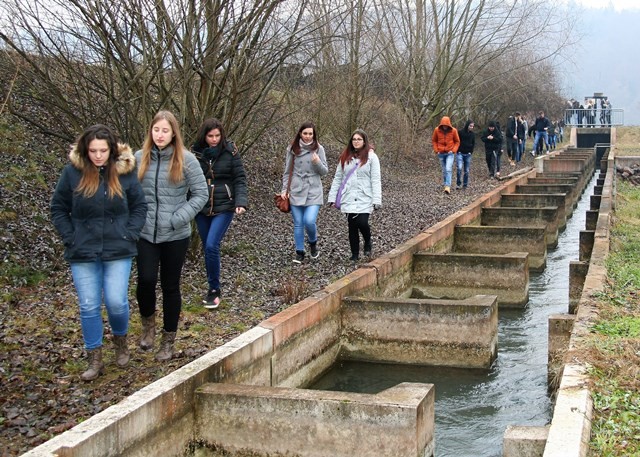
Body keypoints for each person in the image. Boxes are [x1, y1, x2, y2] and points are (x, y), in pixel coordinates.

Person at [50, 125, 148, 381]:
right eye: (93, 150)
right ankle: (94, 357)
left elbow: (139, 206)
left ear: (112, 150)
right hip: (83, 249)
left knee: (116, 301)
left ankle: (121, 340)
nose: (98, 155)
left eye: (103, 150)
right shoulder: (72, 173)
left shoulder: (125, 172)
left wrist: (131, 233)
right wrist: (70, 237)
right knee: (89, 305)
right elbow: (58, 208)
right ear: (85, 150)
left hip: (119, 247)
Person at [135, 111, 208, 361]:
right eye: (156, 130)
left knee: (170, 286)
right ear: (150, 131)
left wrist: (179, 217)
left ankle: (168, 340)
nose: (160, 135)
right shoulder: (138, 158)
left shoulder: (187, 160)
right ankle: (148, 326)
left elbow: (201, 194)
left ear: (173, 132)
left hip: (176, 234)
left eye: (165, 130)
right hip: (145, 232)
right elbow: (125, 190)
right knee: (145, 281)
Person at [192, 118, 248, 309]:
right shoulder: (196, 154)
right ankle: (211, 284)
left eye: (217, 136)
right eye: (210, 136)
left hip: (225, 205)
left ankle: (214, 289)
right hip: (201, 205)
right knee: (208, 249)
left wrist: (241, 202)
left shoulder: (230, 151)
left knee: (211, 245)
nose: (214, 139)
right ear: (204, 136)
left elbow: (240, 178)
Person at [328, 129, 382, 261]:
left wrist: (377, 199)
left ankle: (368, 240)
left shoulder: (372, 158)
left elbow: (375, 179)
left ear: (364, 141)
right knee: (352, 225)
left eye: (359, 139)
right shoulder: (345, 157)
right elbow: (338, 178)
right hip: (349, 196)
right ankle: (355, 254)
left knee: (362, 222)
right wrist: (332, 197)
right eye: (354, 139)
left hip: (365, 196)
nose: (356, 142)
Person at [280, 122, 328, 264]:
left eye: (310, 134)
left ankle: (313, 242)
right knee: (298, 223)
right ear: (300, 133)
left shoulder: (319, 149)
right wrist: (284, 190)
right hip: (296, 189)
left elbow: (324, 172)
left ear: (314, 135)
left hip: (313, 189)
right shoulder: (292, 148)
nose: (307, 136)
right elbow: (287, 171)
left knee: (309, 220)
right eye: (305, 133)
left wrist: (317, 162)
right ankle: (299, 251)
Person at [431, 116, 460, 194]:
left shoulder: (454, 131)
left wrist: (453, 150)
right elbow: (434, 140)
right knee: (444, 170)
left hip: (450, 153)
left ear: (448, 125)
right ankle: (445, 184)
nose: (444, 127)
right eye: (443, 125)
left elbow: (457, 142)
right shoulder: (437, 130)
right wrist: (436, 150)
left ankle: (448, 186)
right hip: (441, 153)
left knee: (448, 169)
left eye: (446, 125)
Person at [456, 120, 475, 189]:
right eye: (470, 126)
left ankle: (465, 184)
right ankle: (458, 183)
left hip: (468, 154)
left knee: (466, 170)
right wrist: (457, 150)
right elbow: (457, 141)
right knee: (459, 168)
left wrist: (471, 152)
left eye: (472, 126)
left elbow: (473, 143)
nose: (471, 127)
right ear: (467, 125)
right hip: (460, 153)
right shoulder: (460, 132)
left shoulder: (472, 134)